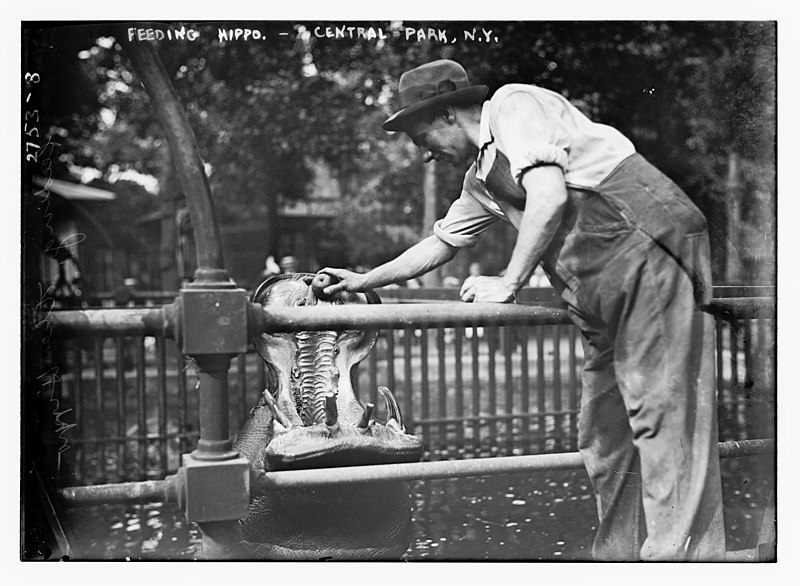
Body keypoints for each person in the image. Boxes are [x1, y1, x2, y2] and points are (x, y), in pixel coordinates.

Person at [319, 59, 724, 561]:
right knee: (604, 433)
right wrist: (363, 280)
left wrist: (508, 282)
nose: (424, 156)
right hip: (600, 284)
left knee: (661, 414)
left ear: (447, 113)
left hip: (648, 248)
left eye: (421, 138)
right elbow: (439, 244)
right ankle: (616, 558)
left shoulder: (513, 106)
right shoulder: (481, 178)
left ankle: (676, 561)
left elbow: (550, 195)